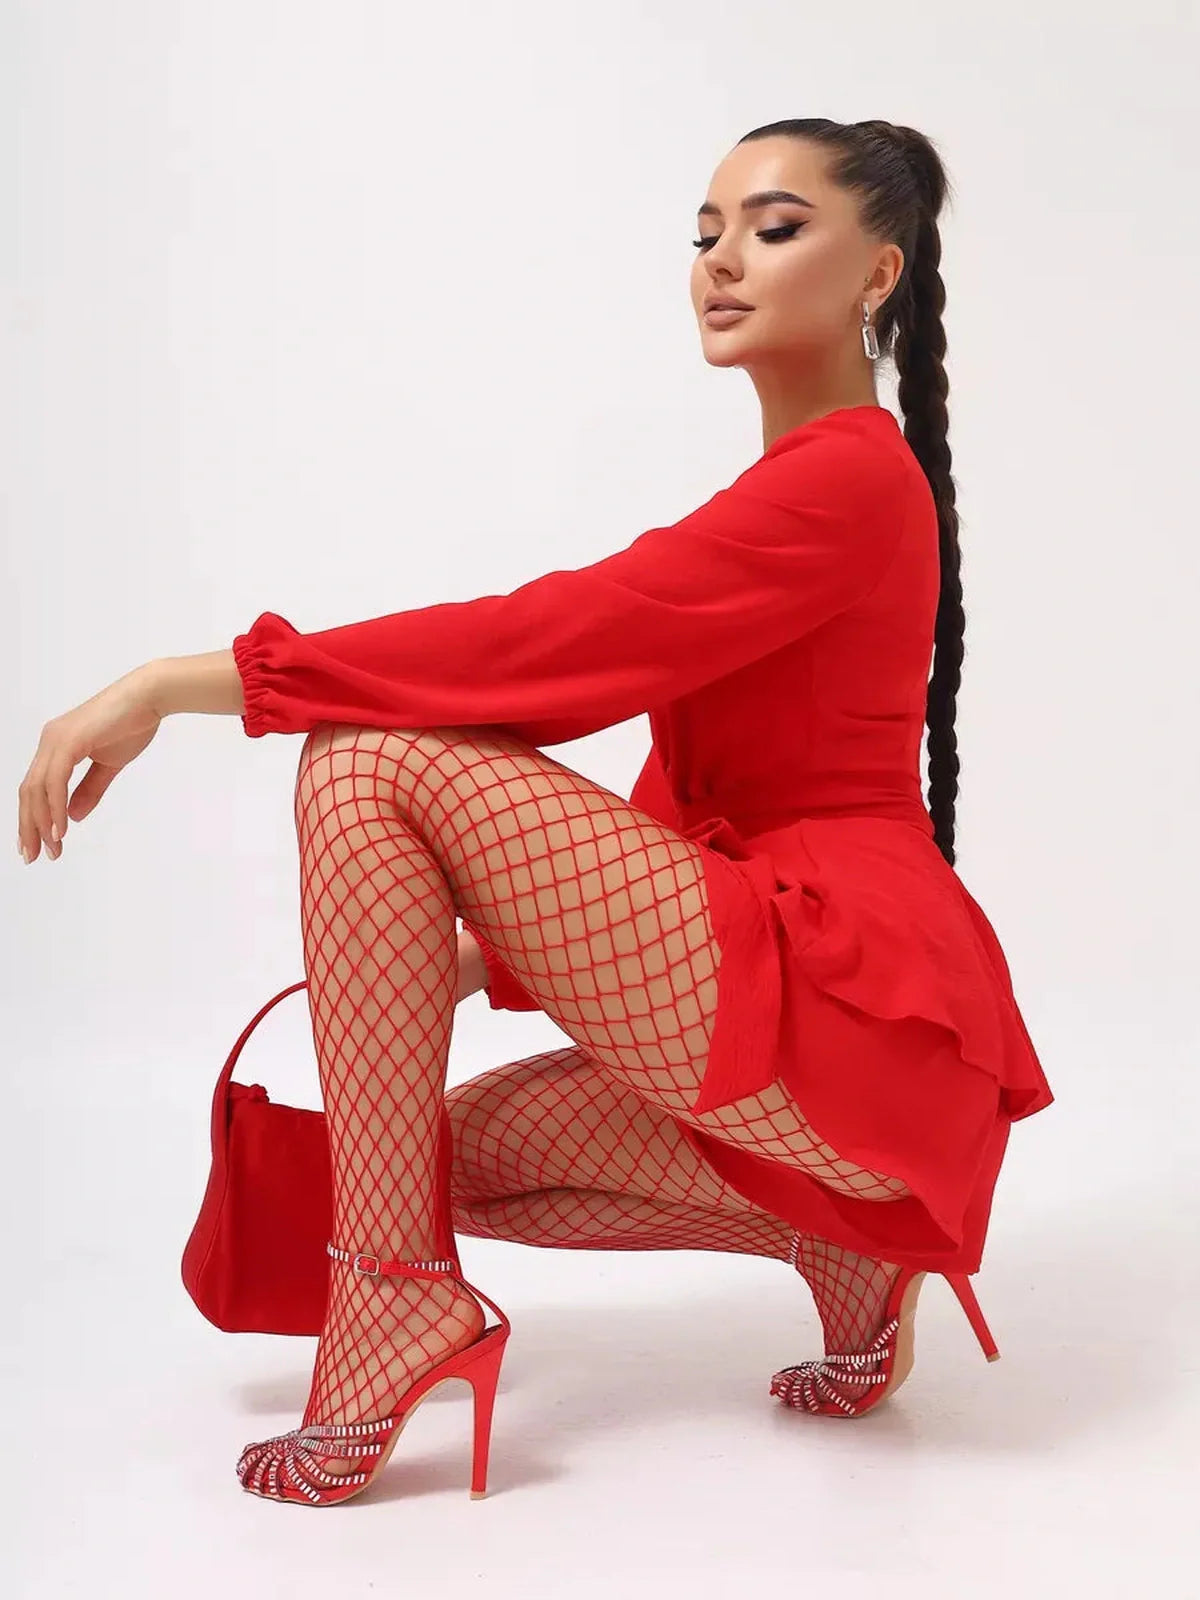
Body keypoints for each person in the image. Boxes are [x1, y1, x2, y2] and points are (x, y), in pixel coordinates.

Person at [18, 117, 1053, 1507]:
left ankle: (390, 1302)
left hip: (850, 1000)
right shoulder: (803, 485)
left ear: (878, 274)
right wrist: (463, 953)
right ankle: (842, 1250)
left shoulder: (850, 477)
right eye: (705, 234)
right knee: (419, 1156)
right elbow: (685, 803)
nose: (721, 261)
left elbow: (553, 640)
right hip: (812, 1021)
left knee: (366, 757)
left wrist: (186, 684)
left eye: (773, 228)